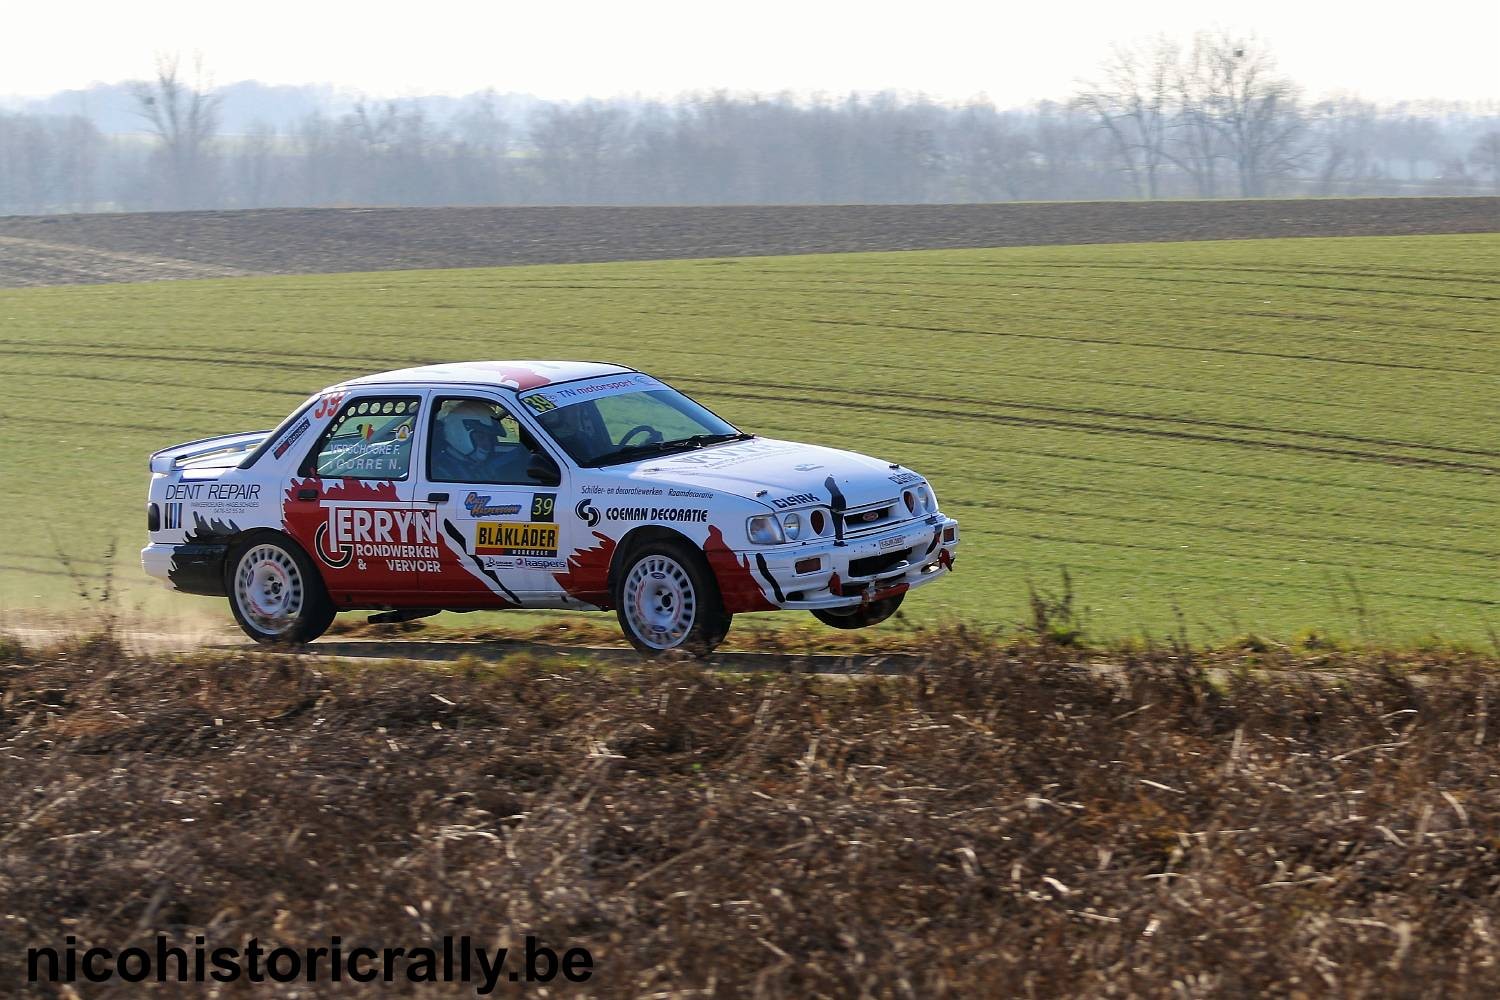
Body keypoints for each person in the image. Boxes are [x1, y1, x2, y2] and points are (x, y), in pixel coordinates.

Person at [431, 400, 530, 482]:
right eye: (481, 437)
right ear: (458, 434)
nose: (487, 444)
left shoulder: (468, 463)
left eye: (490, 438)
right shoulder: (442, 471)